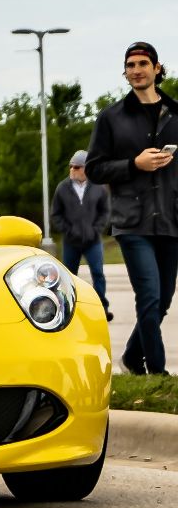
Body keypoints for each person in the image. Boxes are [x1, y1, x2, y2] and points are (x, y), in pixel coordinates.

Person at [84, 41, 178, 373]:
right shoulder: (111, 117)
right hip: (132, 222)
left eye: (142, 64)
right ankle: (156, 371)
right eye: (130, 65)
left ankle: (132, 357)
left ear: (157, 69)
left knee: (162, 300)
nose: (136, 70)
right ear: (125, 73)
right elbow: (94, 169)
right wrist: (134, 164)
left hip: (171, 220)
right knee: (149, 296)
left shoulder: (175, 114)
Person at [51, 149, 111, 321]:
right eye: (70, 166)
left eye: (76, 167)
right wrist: (68, 230)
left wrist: (95, 229)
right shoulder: (62, 188)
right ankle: (69, 311)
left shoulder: (99, 188)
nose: (72, 170)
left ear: (86, 169)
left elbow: (105, 212)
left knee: (98, 274)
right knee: (69, 277)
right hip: (71, 242)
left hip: (93, 241)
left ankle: (102, 309)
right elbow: (56, 215)